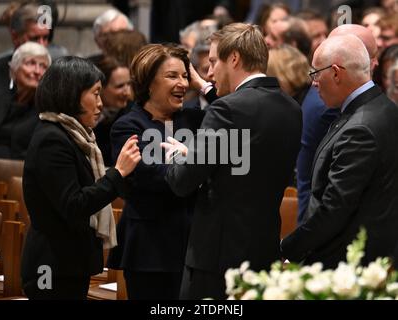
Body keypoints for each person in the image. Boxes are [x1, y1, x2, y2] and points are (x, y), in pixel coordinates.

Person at [162, 23, 302, 299]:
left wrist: (181, 153)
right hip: (264, 254)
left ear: (234, 58)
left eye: (214, 61)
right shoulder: (291, 108)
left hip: (216, 261)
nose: (209, 71)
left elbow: (182, 182)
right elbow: (243, 160)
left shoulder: (226, 110)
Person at [21, 56, 141, 300]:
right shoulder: (52, 140)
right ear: (72, 94)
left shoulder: (76, 136)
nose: (100, 103)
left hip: (69, 263)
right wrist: (117, 174)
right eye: (95, 94)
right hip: (51, 267)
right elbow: (74, 205)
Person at [281, 34, 398, 269]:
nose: (313, 82)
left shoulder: (361, 127)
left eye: (316, 73)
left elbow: (335, 208)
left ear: (335, 72)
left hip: (348, 263)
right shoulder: (383, 106)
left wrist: (287, 247)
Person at [107, 44, 205, 300]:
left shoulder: (195, 120)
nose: (182, 83)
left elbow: (236, 116)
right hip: (149, 249)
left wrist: (202, 84)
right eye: (172, 76)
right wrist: (198, 164)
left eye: (185, 76)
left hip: (194, 246)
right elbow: (151, 176)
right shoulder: (128, 125)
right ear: (148, 83)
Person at [297, 23, 379, 224]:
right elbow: (336, 192)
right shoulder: (332, 103)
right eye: (370, 56)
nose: (375, 63)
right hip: (324, 221)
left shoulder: (333, 96)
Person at [0, 42, 51, 159]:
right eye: (31, 63)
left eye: (43, 66)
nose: (37, 71)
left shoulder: (47, 110)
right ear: (14, 69)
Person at [0, 3, 50, 92]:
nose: (42, 45)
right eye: (34, 38)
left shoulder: (55, 75)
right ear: (15, 37)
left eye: (45, 38)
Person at [94, 56, 132, 166]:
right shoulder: (85, 114)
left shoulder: (131, 115)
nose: (127, 92)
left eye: (128, 84)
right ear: (100, 88)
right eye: (120, 86)